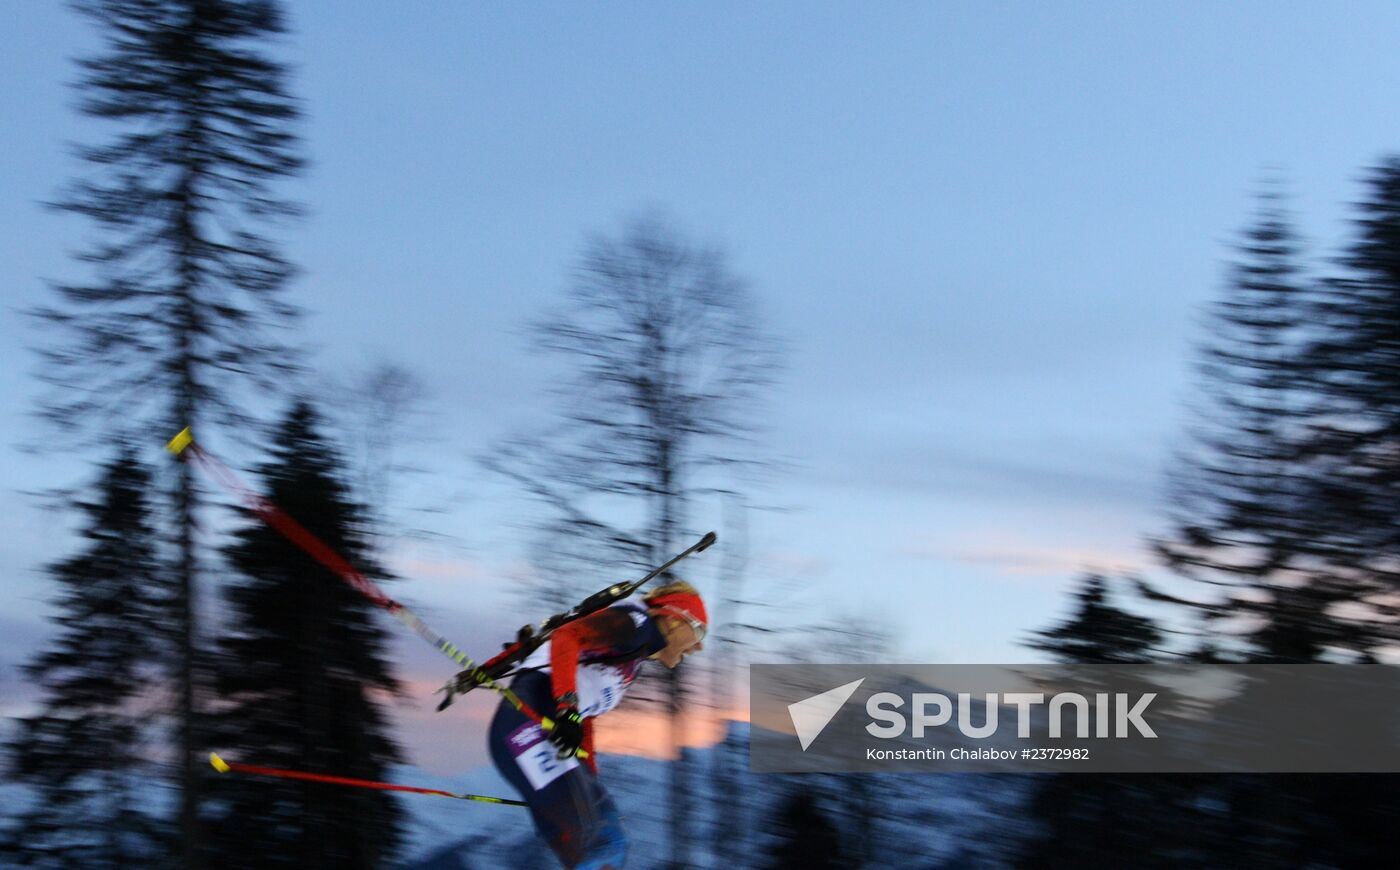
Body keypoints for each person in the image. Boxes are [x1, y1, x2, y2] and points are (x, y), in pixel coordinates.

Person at [487, 579, 707, 869]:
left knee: (607, 840)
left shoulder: (635, 655)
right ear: (677, 619)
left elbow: (584, 716)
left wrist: (588, 775)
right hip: (524, 724)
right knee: (598, 840)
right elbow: (566, 637)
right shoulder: (635, 622)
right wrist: (568, 709)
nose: (699, 646)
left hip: (545, 731)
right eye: (700, 630)